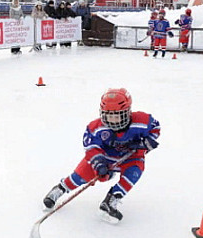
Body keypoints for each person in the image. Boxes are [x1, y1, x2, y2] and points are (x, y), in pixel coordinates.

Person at [42, 88, 160, 223]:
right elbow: (91, 148)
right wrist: (99, 163)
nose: (113, 121)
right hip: (106, 157)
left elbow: (155, 128)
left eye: (118, 116)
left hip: (130, 157)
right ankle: (60, 189)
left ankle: (111, 200)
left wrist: (148, 141)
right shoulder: (95, 128)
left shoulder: (142, 121)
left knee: (134, 173)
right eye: (109, 116)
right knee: (80, 176)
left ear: (127, 112)